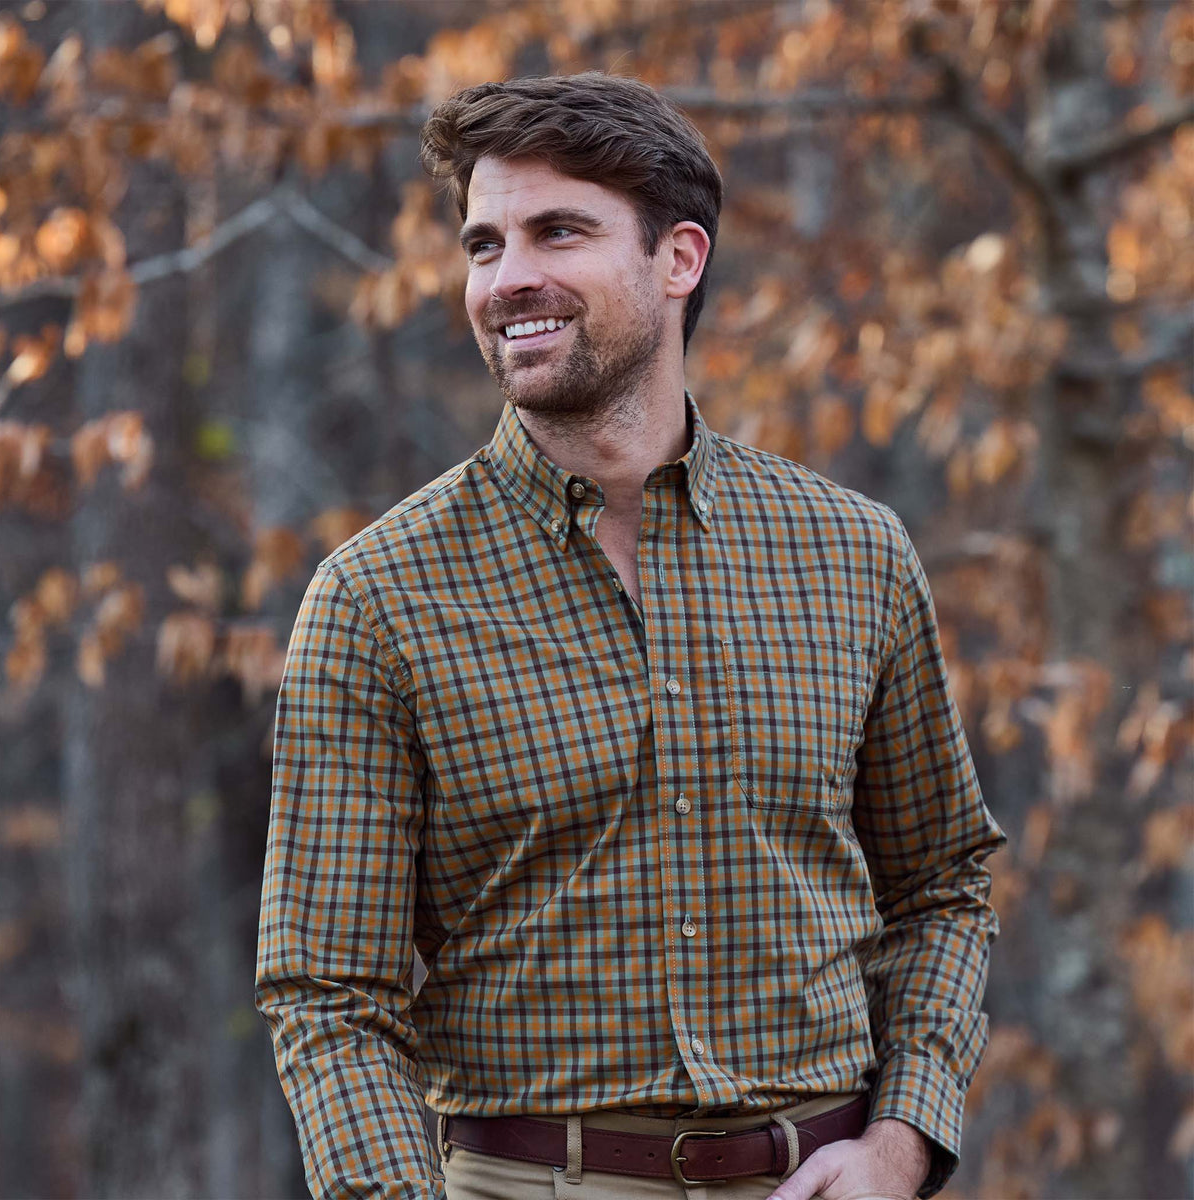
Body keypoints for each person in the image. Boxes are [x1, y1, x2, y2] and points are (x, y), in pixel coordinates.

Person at [255, 72, 1006, 1200]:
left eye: (558, 231)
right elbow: (329, 992)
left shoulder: (852, 554)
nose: (509, 280)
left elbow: (942, 887)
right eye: (485, 243)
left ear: (679, 260)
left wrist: (901, 1144)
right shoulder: (378, 597)